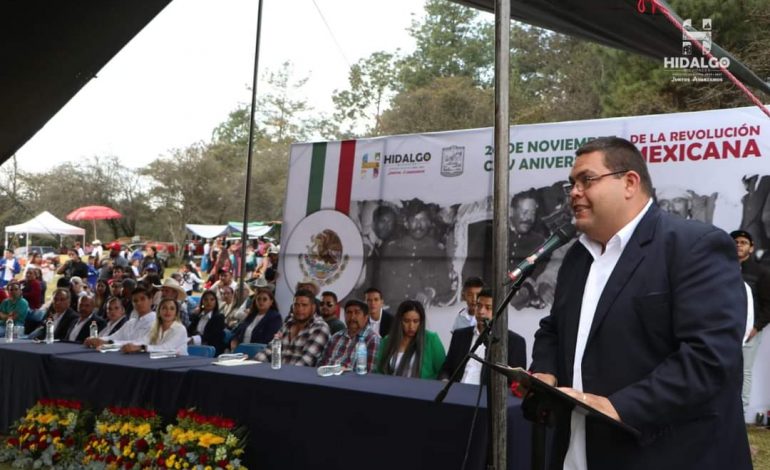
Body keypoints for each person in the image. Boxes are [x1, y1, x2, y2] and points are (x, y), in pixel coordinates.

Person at [529, 137, 750, 469]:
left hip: (666, 453)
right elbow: (554, 329)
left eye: (586, 180)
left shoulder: (695, 246)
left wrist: (618, 407)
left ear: (629, 183)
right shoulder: (578, 256)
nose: (574, 192)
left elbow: (710, 357)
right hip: (577, 450)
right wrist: (545, 372)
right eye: (571, 184)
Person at [439, 288, 527, 384]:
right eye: (478, 306)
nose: (481, 311)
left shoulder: (515, 342)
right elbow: (446, 369)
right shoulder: (460, 335)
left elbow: (516, 384)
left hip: (487, 397)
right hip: (456, 393)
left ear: (499, 311)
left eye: (488, 308)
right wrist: (444, 380)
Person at [730, 229, 770, 418]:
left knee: (744, 372)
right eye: (735, 241)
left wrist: (756, 327)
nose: (739, 245)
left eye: (744, 242)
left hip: (749, 332)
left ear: (751, 248)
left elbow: (768, 304)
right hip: (724, 330)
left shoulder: (761, 273)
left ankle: (740, 414)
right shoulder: (721, 268)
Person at [255, 289, 330, 367]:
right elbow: (270, 350)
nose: (299, 309)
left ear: (313, 307)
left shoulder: (320, 327)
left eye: (304, 305)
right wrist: (253, 365)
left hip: (300, 377)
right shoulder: (288, 324)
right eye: (296, 305)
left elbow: (306, 361)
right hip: (278, 373)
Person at [374, 299, 445, 379]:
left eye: (416, 321)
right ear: (400, 321)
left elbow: (443, 372)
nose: (411, 326)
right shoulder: (387, 341)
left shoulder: (432, 340)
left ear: (421, 322)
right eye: (406, 321)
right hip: (391, 389)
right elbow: (378, 371)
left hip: (423, 389)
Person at [84, 287, 156, 349]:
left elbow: (143, 342)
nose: (139, 303)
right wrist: (96, 339)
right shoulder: (131, 323)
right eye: (135, 301)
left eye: (142, 299)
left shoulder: (156, 321)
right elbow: (115, 336)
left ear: (151, 300)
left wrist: (108, 342)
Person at [319, 299, 380, 371]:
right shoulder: (336, 337)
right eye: (349, 312)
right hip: (325, 379)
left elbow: (369, 373)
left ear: (366, 317)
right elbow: (321, 363)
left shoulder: (372, 339)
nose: (352, 317)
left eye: (357, 313)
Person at [120, 298, 188, 356]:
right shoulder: (155, 327)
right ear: (159, 312)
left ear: (176, 313)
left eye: (172, 309)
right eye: (164, 308)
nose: (168, 311)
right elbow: (143, 340)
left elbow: (166, 348)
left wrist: (141, 348)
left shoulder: (180, 329)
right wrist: (127, 345)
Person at [187, 290, 226, 356]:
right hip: (194, 347)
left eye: (212, 300)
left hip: (210, 350)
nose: (209, 302)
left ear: (216, 302)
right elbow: (189, 330)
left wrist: (194, 339)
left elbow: (212, 336)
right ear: (202, 302)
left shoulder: (219, 317)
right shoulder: (198, 316)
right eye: (206, 299)